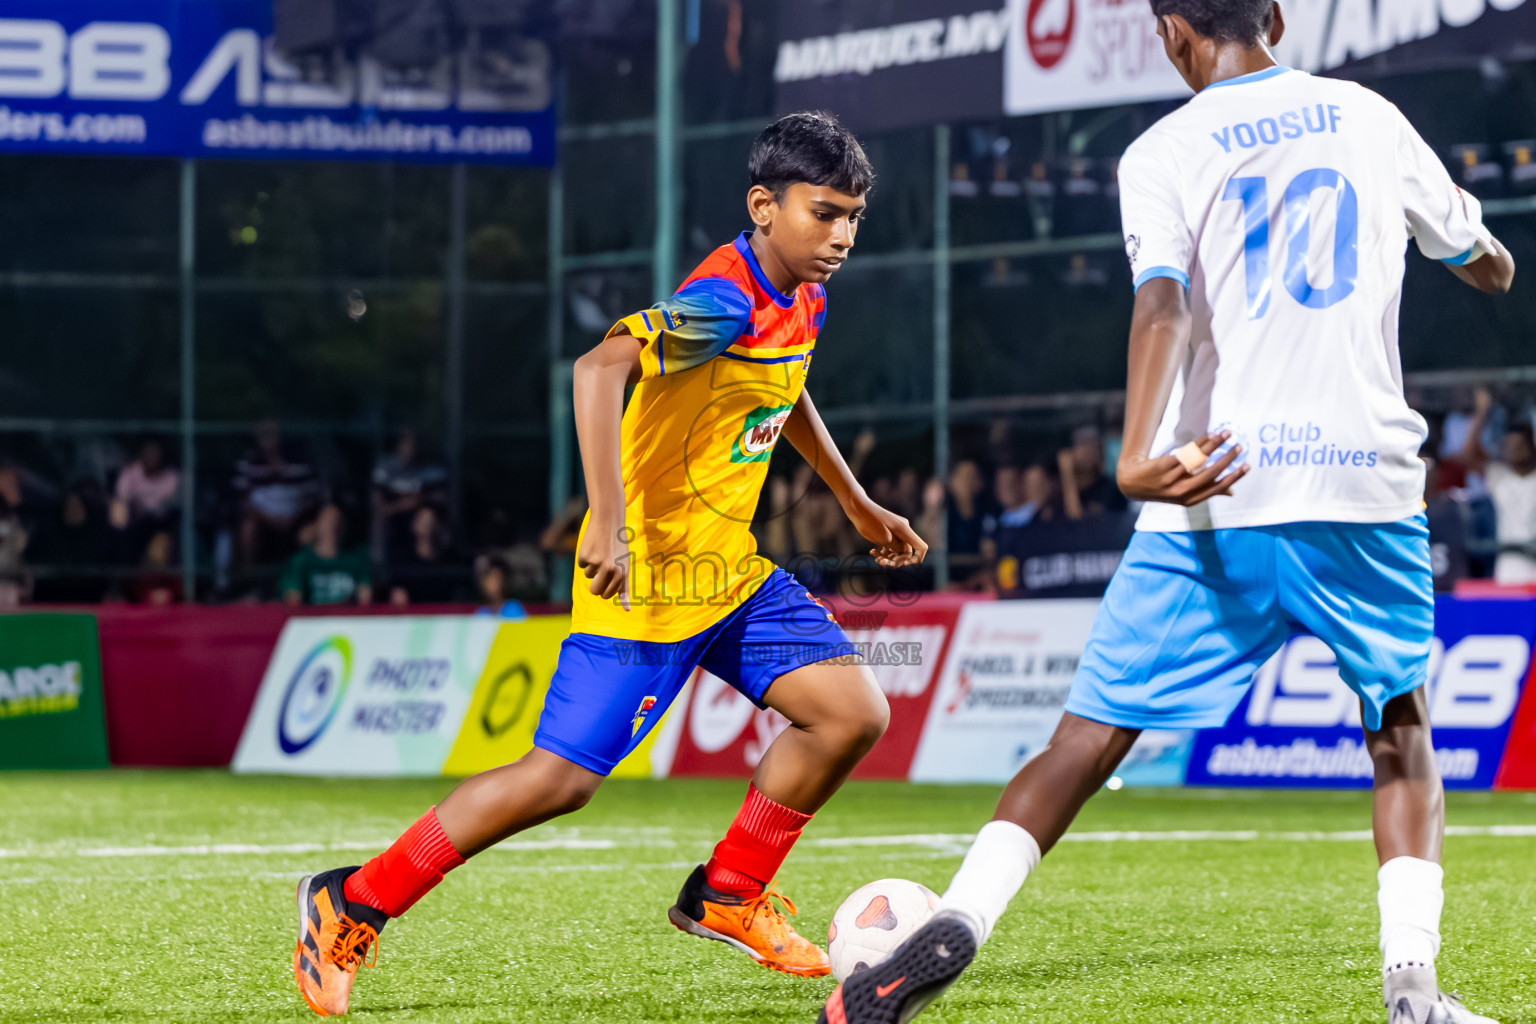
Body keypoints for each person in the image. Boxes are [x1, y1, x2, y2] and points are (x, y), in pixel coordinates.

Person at [821, 4, 1515, 1024]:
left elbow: (1162, 306)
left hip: (1215, 483)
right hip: (1363, 488)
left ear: (1170, 31)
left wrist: (1139, 454)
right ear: (1275, 15)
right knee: (1400, 732)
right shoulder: (1367, 114)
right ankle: (1411, 990)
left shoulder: (1162, 148)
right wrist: (1470, 248)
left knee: (1082, 744)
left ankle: (957, 924)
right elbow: (1488, 263)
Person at [292, 111, 928, 1017]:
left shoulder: (803, 295)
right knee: (560, 782)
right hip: (649, 582)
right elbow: (597, 369)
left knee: (851, 713)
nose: (841, 236)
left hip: (729, 575)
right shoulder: (722, 299)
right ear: (763, 203)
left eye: (853, 218)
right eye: (824, 213)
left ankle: (729, 893)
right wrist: (608, 520)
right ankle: (351, 901)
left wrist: (858, 502)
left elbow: (787, 392)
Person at [1458, 387, 1536, 583]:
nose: (1512, 449)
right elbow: (1468, 455)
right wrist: (1481, 413)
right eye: (1507, 445)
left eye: (1520, 444)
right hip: (1505, 561)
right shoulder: (1497, 474)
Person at [277, 504, 372, 607]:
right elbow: (293, 601)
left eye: (337, 519)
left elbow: (365, 600)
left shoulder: (356, 560)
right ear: (315, 525)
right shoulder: (301, 561)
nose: (333, 525)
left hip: (348, 620)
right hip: (311, 620)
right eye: (327, 520)